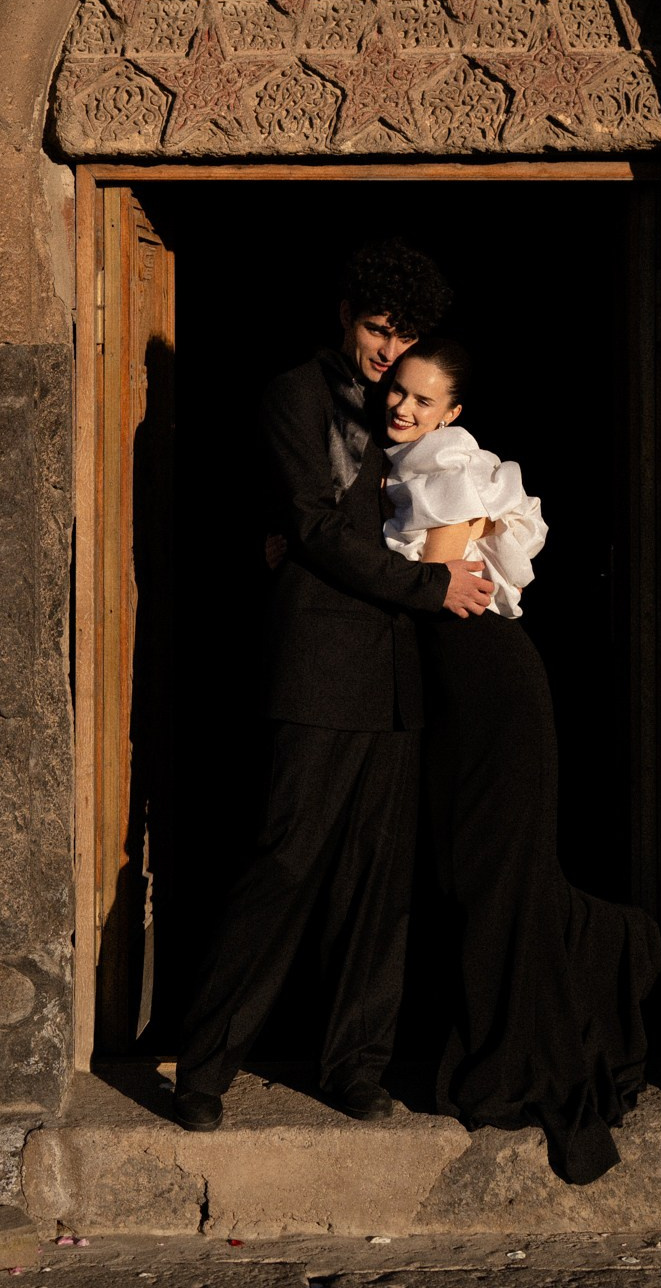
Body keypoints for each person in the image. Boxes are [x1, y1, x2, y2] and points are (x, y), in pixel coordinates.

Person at [171, 242, 495, 1133]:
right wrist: (431, 586)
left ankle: (356, 1066)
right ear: (345, 315)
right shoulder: (295, 394)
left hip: (400, 678)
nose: (390, 352)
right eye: (376, 330)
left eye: (405, 336)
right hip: (317, 671)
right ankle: (203, 1070)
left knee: (378, 881)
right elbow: (311, 525)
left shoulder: (413, 408)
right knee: (282, 863)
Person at [381, 336, 661, 1185]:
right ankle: (612, 949)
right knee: (483, 874)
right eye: (399, 391)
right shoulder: (397, 463)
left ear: (451, 413)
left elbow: (432, 575)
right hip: (458, 689)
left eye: (424, 400)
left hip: (489, 685)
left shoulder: (448, 464)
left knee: (498, 871)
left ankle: (591, 981)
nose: (403, 408)